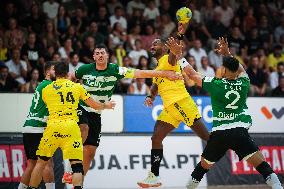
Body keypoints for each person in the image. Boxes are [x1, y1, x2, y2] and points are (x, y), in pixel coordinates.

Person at [166, 37, 283, 189]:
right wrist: (228, 53)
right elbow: (240, 69)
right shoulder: (244, 82)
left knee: (202, 167)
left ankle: (189, 187)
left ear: (225, 71)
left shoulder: (216, 84)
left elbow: (192, 75)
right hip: (239, 132)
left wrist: (179, 55)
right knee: (263, 166)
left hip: (220, 133)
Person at [62, 44, 182, 183]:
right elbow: (71, 77)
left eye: (103, 53)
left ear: (107, 56)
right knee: (84, 128)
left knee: (90, 151)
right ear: (93, 57)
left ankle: (78, 182)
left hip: (96, 112)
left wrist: (165, 73)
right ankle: (71, 169)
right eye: (97, 53)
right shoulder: (84, 69)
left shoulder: (115, 70)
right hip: (81, 107)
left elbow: (140, 73)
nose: (100, 55)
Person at [137, 27, 209, 188]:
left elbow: (173, 56)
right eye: (151, 45)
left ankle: (232, 143)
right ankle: (154, 176)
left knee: (207, 138)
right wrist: (151, 96)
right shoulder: (157, 68)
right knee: (156, 138)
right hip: (169, 108)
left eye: (155, 44)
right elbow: (155, 85)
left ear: (164, 48)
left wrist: (178, 40)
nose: (152, 47)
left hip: (182, 102)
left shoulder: (168, 60)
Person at [26, 62, 116, 189]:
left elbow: (46, 106)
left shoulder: (47, 89)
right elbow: (93, 105)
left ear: (55, 73)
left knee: (40, 163)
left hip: (53, 127)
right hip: (71, 128)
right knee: (77, 166)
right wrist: (106, 106)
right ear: (68, 73)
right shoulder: (77, 87)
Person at [19, 62, 56, 189]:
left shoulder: (41, 85)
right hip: (38, 128)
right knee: (47, 164)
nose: (57, 72)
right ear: (47, 72)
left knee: (32, 165)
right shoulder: (50, 86)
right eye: (54, 70)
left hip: (28, 127)